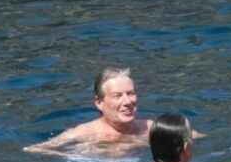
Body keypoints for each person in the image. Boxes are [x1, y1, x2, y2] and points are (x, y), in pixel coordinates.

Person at [24, 67, 153, 157]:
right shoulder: (84, 133)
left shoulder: (150, 128)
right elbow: (34, 149)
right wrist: (76, 156)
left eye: (130, 93)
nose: (127, 101)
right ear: (99, 103)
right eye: (117, 96)